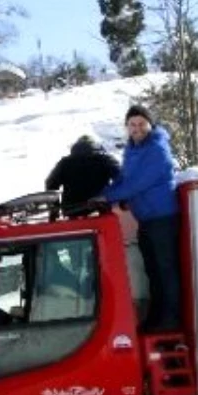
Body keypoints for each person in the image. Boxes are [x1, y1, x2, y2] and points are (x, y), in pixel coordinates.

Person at [100, 104, 182, 332]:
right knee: (152, 270)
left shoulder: (157, 149)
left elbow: (137, 184)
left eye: (141, 124)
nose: (137, 128)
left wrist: (108, 197)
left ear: (150, 125)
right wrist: (102, 193)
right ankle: (157, 317)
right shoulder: (132, 150)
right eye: (132, 124)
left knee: (165, 270)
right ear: (127, 127)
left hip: (162, 218)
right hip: (146, 219)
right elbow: (124, 179)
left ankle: (171, 319)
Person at [45, 135, 121, 217]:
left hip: (72, 210)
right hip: (101, 208)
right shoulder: (105, 159)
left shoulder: (64, 163)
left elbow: (50, 184)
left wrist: (54, 209)